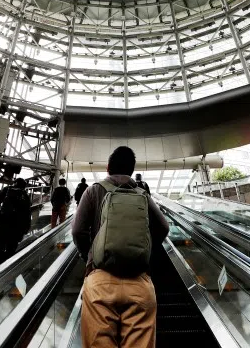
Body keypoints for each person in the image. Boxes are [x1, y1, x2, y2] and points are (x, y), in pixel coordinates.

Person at [73, 146, 169, 348]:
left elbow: (78, 231)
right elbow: (163, 227)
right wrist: (143, 248)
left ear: (108, 168)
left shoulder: (93, 191)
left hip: (100, 281)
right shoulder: (142, 194)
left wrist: (89, 256)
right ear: (131, 170)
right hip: (140, 284)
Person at [0, 178, 32, 270]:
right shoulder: (25, 196)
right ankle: (6, 269)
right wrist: (26, 228)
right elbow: (27, 214)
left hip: (3, 222)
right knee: (11, 248)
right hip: (17, 226)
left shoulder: (6, 190)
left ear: (15, 183)